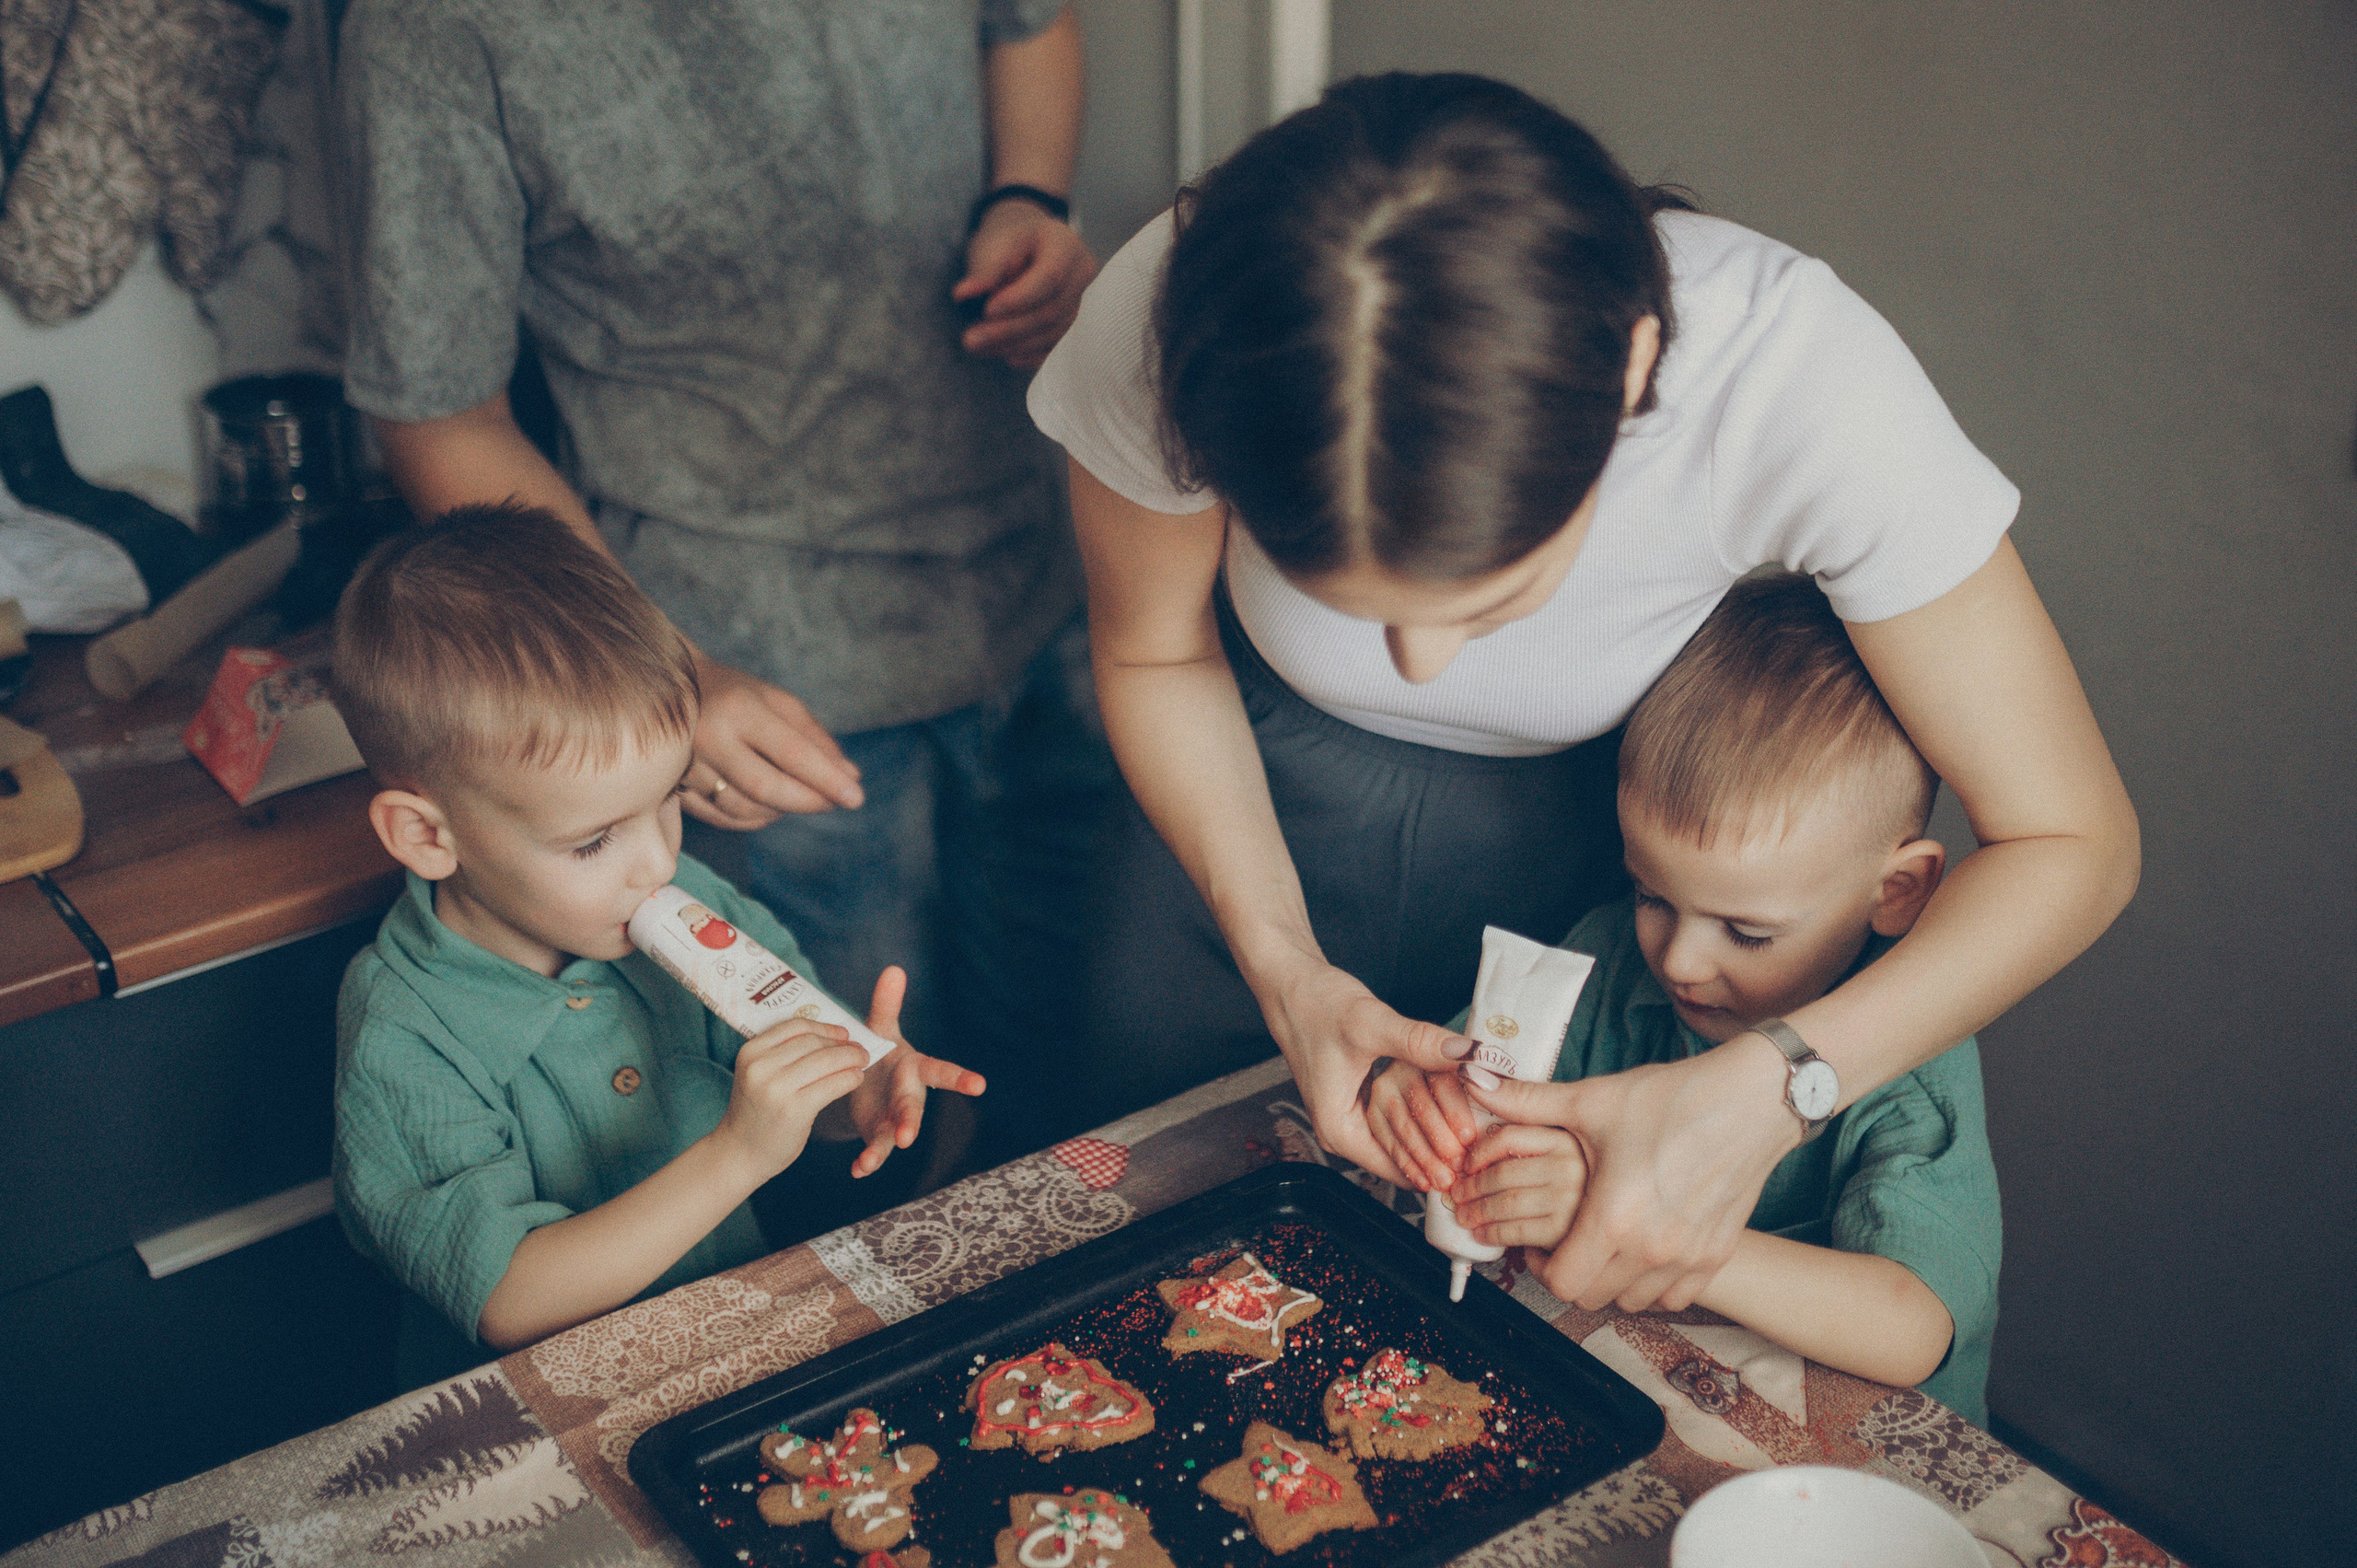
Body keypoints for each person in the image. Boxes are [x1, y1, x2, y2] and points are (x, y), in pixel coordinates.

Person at [1028, 72, 2136, 1312]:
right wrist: (1287, 969)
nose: (1420, 666)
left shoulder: (1796, 384)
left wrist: (1779, 1083)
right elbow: (1155, 649)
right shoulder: (1173, 319)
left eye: (1496, 599)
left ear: (1631, 370)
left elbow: (2071, 840)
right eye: (1350, 598)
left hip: (1580, 859)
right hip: (1229, 800)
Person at [335, 0, 1110, 1178]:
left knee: (1082, 1100)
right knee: (861, 1159)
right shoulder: (433, 30)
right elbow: (435, 411)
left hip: (1043, 590)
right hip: (757, 692)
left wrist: (1030, 196)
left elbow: (1028, 23)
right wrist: (672, 673)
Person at [329, 505, 983, 1385]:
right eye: (594, 840)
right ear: (426, 835)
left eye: (669, 796)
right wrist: (737, 1154)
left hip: (725, 1360)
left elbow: (792, 1091)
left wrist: (858, 1086)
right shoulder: (402, 1030)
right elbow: (507, 1298)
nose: (658, 863)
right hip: (535, 1423)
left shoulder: (695, 902)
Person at [1369, 575, 1999, 1423]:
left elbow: (1911, 1325)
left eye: (1747, 931)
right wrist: (1417, 1102)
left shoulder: (1912, 1064)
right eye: (1652, 895)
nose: (1680, 959)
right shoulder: (1613, 957)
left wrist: (1661, 1229)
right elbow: (1451, 1068)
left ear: (1894, 890)